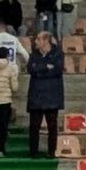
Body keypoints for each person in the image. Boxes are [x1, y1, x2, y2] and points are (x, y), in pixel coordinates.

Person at [24, 26, 65, 154]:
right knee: (34, 126)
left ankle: (51, 152)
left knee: (52, 126)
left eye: (38, 39)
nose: (35, 41)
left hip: (52, 96)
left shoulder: (58, 54)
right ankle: (33, 152)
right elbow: (31, 69)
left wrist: (40, 69)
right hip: (36, 96)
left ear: (46, 41)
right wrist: (46, 67)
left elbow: (57, 70)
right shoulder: (33, 55)